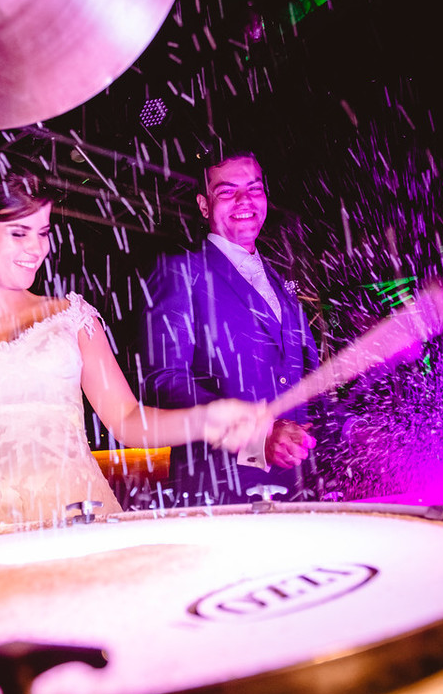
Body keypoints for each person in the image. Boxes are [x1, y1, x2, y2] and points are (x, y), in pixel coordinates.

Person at [0, 156, 267, 533]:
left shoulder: (73, 316)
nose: (37, 249)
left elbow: (129, 420)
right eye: (19, 233)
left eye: (43, 232)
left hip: (77, 521)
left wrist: (206, 419)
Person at [141, 149, 329, 505]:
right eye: (227, 191)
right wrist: (259, 437)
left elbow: (309, 381)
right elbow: (163, 382)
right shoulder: (181, 272)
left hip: (301, 489)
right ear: (204, 205)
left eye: (254, 188)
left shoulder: (285, 284)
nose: (244, 200)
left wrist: (352, 428)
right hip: (221, 490)